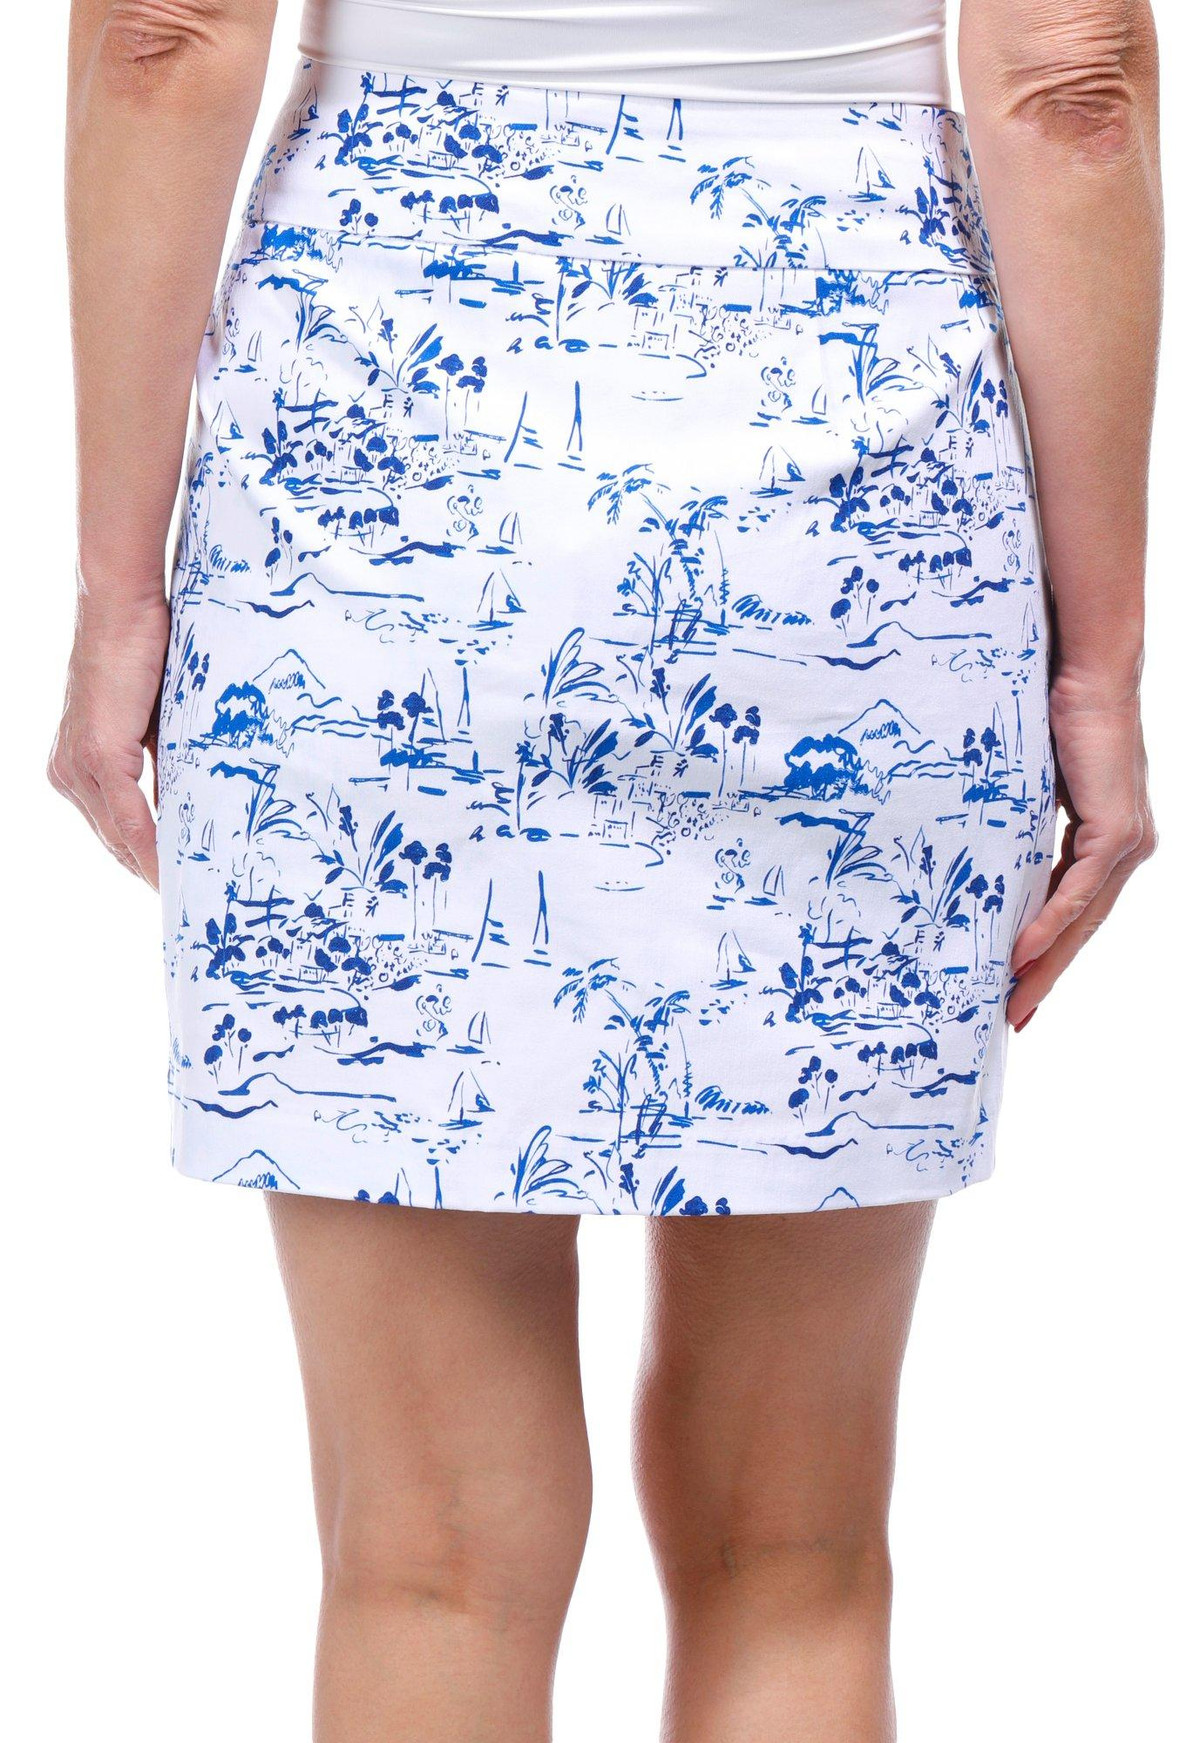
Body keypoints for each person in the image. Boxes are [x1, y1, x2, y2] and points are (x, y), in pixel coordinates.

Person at [49, 1, 1161, 1737]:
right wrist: (1097, 669)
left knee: (428, 1555)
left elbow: (165, 33)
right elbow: (1069, 82)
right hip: (855, 502)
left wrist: (122, 595)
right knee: (792, 1548)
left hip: (392, 466)